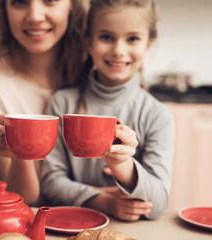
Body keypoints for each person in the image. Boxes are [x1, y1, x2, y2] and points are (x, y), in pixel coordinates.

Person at [41, 0, 175, 221]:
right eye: (106, 37)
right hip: (71, 226)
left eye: (132, 39)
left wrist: (123, 165)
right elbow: (51, 183)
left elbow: (158, 203)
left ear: (148, 44)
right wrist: (103, 201)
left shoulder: (157, 115)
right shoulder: (62, 103)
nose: (118, 51)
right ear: (88, 42)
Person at [0, 0, 86, 204]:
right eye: (19, 2)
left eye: (50, 1)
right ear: (4, 10)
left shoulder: (93, 75)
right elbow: (21, 198)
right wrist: (19, 150)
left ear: (73, 5)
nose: (35, 16)